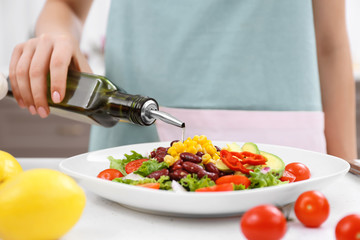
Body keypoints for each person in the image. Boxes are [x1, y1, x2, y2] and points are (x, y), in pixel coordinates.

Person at [8, 0, 357, 162]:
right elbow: (65, 6)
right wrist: (55, 36)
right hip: (137, 138)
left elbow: (330, 43)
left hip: (290, 144)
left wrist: (347, 176)